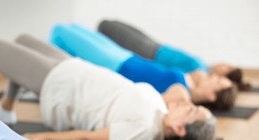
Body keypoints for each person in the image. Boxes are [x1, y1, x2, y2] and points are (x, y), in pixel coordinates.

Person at [0, 35, 216, 140]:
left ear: (180, 129)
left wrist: (35, 138)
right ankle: (7, 108)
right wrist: (186, 97)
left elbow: (90, 139)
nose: (187, 104)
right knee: (22, 40)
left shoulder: (145, 132)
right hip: (76, 71)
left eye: (192, 111)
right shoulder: (161, 111)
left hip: (62, 88)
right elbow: (179, 89)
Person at [50, 23, 237, 110]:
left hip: (116, 66)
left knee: (60, 32)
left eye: (218, 83)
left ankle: (50, 74)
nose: (215, 77)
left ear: (212, 95)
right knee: (74, 28)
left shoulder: (181, 97)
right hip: (127, 56)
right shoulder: (192, 82)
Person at [98, 19, 251, 91]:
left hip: (148, 52)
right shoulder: (204, 68)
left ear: (224, 73)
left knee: (105, 26)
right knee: (108, 25)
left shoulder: (199, 73)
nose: (223, 63)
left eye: (227, 67)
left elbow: (169, 75)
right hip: (155, 45)